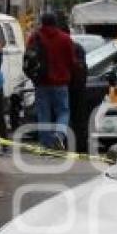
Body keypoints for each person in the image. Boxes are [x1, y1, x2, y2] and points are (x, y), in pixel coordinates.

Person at [27, 12, 76, 149]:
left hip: (41, 82)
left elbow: (28, 58)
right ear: (56, 23)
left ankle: (45, 144)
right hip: (60, 83)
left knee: (43, 114)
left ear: (42, 23)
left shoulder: (34, 38)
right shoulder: (65, 39)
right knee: (63, 111)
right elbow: (72, 61)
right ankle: (59, 136)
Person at [58, 18, 89, 153]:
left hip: (66, 85)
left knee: (65, 115)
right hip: (80, 86)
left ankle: (66, 143)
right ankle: (80, 145)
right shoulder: (79, 47)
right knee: (79, 116)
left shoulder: (64, 48)